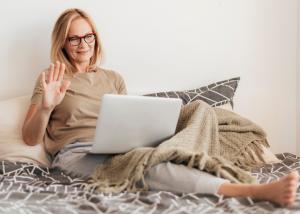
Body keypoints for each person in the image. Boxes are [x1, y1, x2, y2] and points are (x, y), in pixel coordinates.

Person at [22, 8, 299, 206]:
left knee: (200, 112)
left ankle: (202, 159)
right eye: (74, 38)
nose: (83, 44)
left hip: (122, 148)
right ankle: (251, 190)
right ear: (63, 42)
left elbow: (128, 121)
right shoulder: (51, 77)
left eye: (88, 36)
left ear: (96, 37)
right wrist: (47, 107)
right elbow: (30, 137)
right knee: (148, 167)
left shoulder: (113, 78)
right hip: (77, 152)